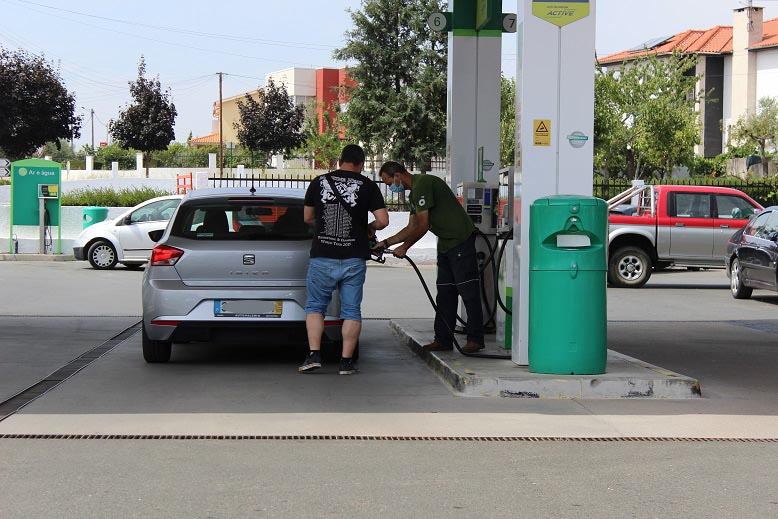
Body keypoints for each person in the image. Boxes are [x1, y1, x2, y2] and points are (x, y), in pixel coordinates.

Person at [375, 161, 484, 354]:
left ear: (397, 176)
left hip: (460, 241)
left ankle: (475, 339)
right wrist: (386, 243)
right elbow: (410, 227)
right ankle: (443, 339)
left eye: (387, 182)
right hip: (445, 244)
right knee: (445, 294)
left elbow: (423, 225)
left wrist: (405, 247)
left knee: (468, 291)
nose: (388, 187)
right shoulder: (414, 194)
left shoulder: (423, 184)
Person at [299, 144, 389, 374]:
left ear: (339, 161)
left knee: (315, 307)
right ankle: (346, 362)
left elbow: (308, 217)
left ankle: (313, 356)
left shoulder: (319, 182)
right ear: (360, 164)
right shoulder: (367, 186)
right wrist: (368, 228)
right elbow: (383, 220)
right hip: (353, 258)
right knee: (351, 310)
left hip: (323, 256)